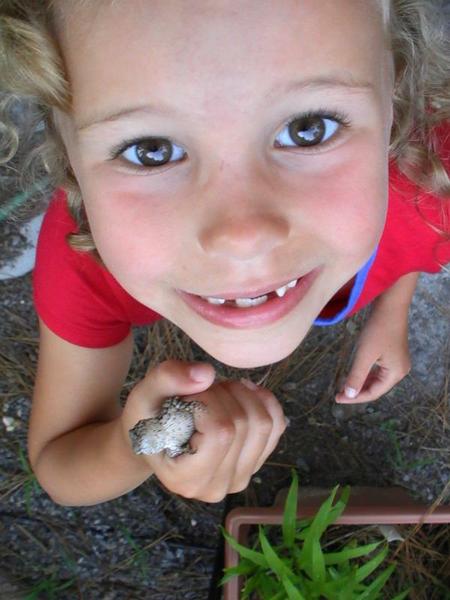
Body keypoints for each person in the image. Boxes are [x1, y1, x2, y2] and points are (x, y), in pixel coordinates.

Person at [0, 0, 448, 506]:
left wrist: (392, 309)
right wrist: (138, 443)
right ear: (70, 161)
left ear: (398, 102)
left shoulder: (437, 179)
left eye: (309, 128)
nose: (242, 238)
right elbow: (60, 464)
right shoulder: (83, 257)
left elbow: (417, 241)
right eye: (150, 150)